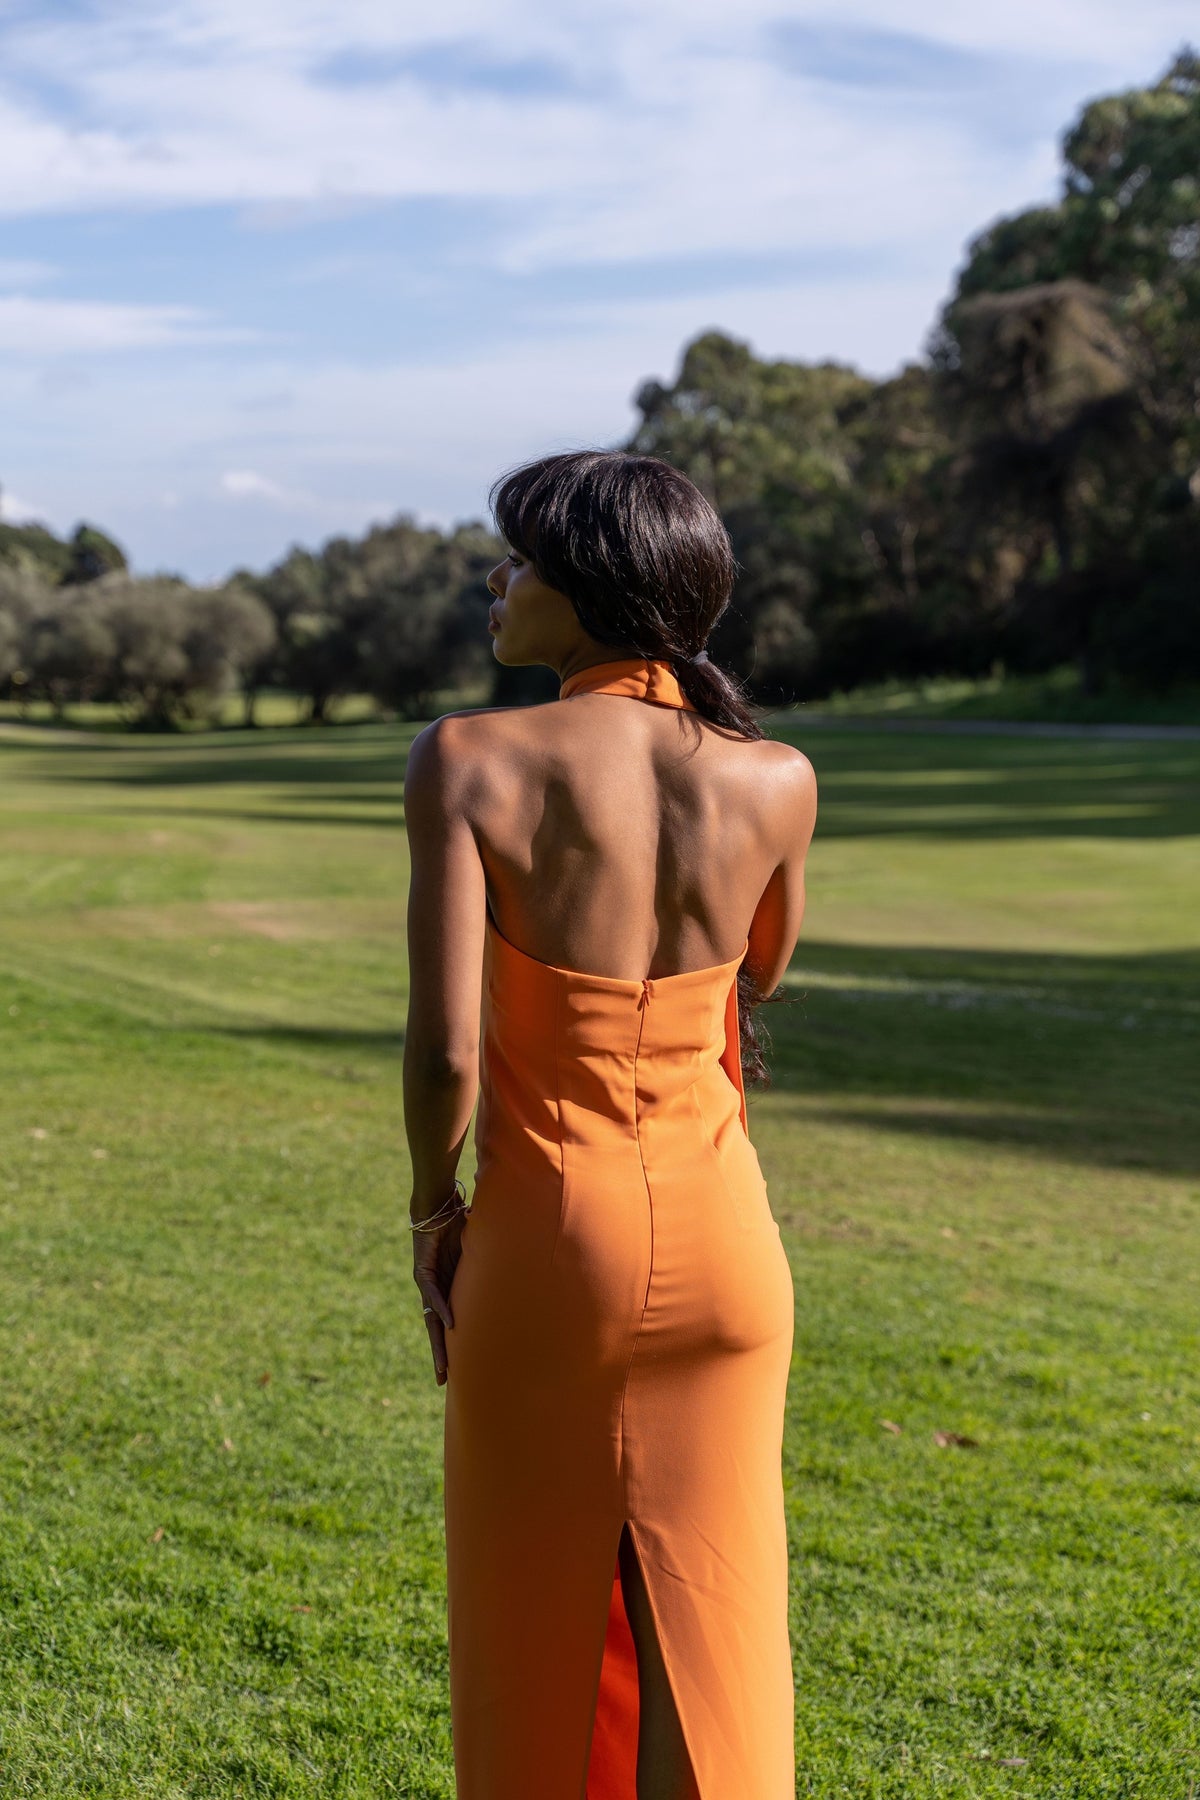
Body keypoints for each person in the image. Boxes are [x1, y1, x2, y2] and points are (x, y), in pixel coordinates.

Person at [402, 449, 817, 1799]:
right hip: (727, 1248)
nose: (496, 578)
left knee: (534, 1617)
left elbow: (449, 1048)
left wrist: (433, 1209)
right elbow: (755, 976)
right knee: (718, 1615)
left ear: (585, 592)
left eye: (517, 559)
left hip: (548, 1239)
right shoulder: (777, 779)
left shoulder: (469, 757)